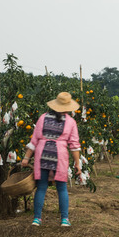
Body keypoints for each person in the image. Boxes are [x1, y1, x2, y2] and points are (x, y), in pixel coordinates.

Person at [21, 92, 82, 227]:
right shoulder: (71, 122)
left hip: (42, 153)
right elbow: (74, 145)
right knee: (61, 188)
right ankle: (64, 219)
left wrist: (26, 158)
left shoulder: (43, 118)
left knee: (41, 187)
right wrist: (77, 164)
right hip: (59, 155)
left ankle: (37, 219)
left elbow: (34, 140)